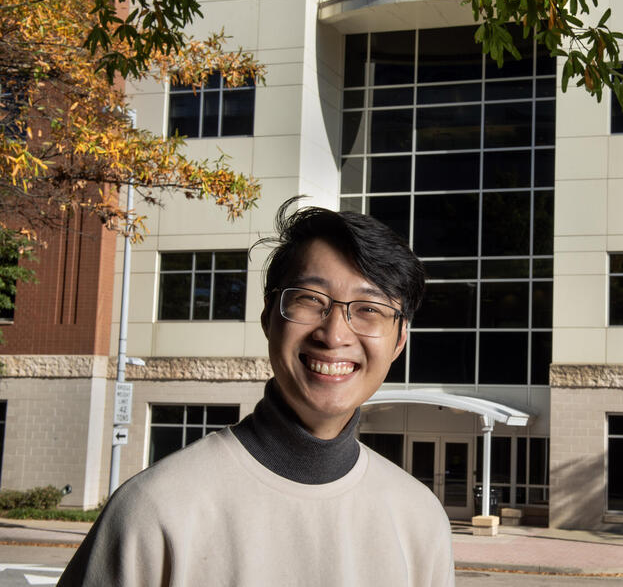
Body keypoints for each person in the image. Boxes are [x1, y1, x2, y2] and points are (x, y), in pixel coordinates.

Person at [58, 198, 454, 586]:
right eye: (310, 300)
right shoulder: (155, 510)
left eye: (369, 308)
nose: (334, 335)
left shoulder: (418, 519)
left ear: (400, 340)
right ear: (269, 318)